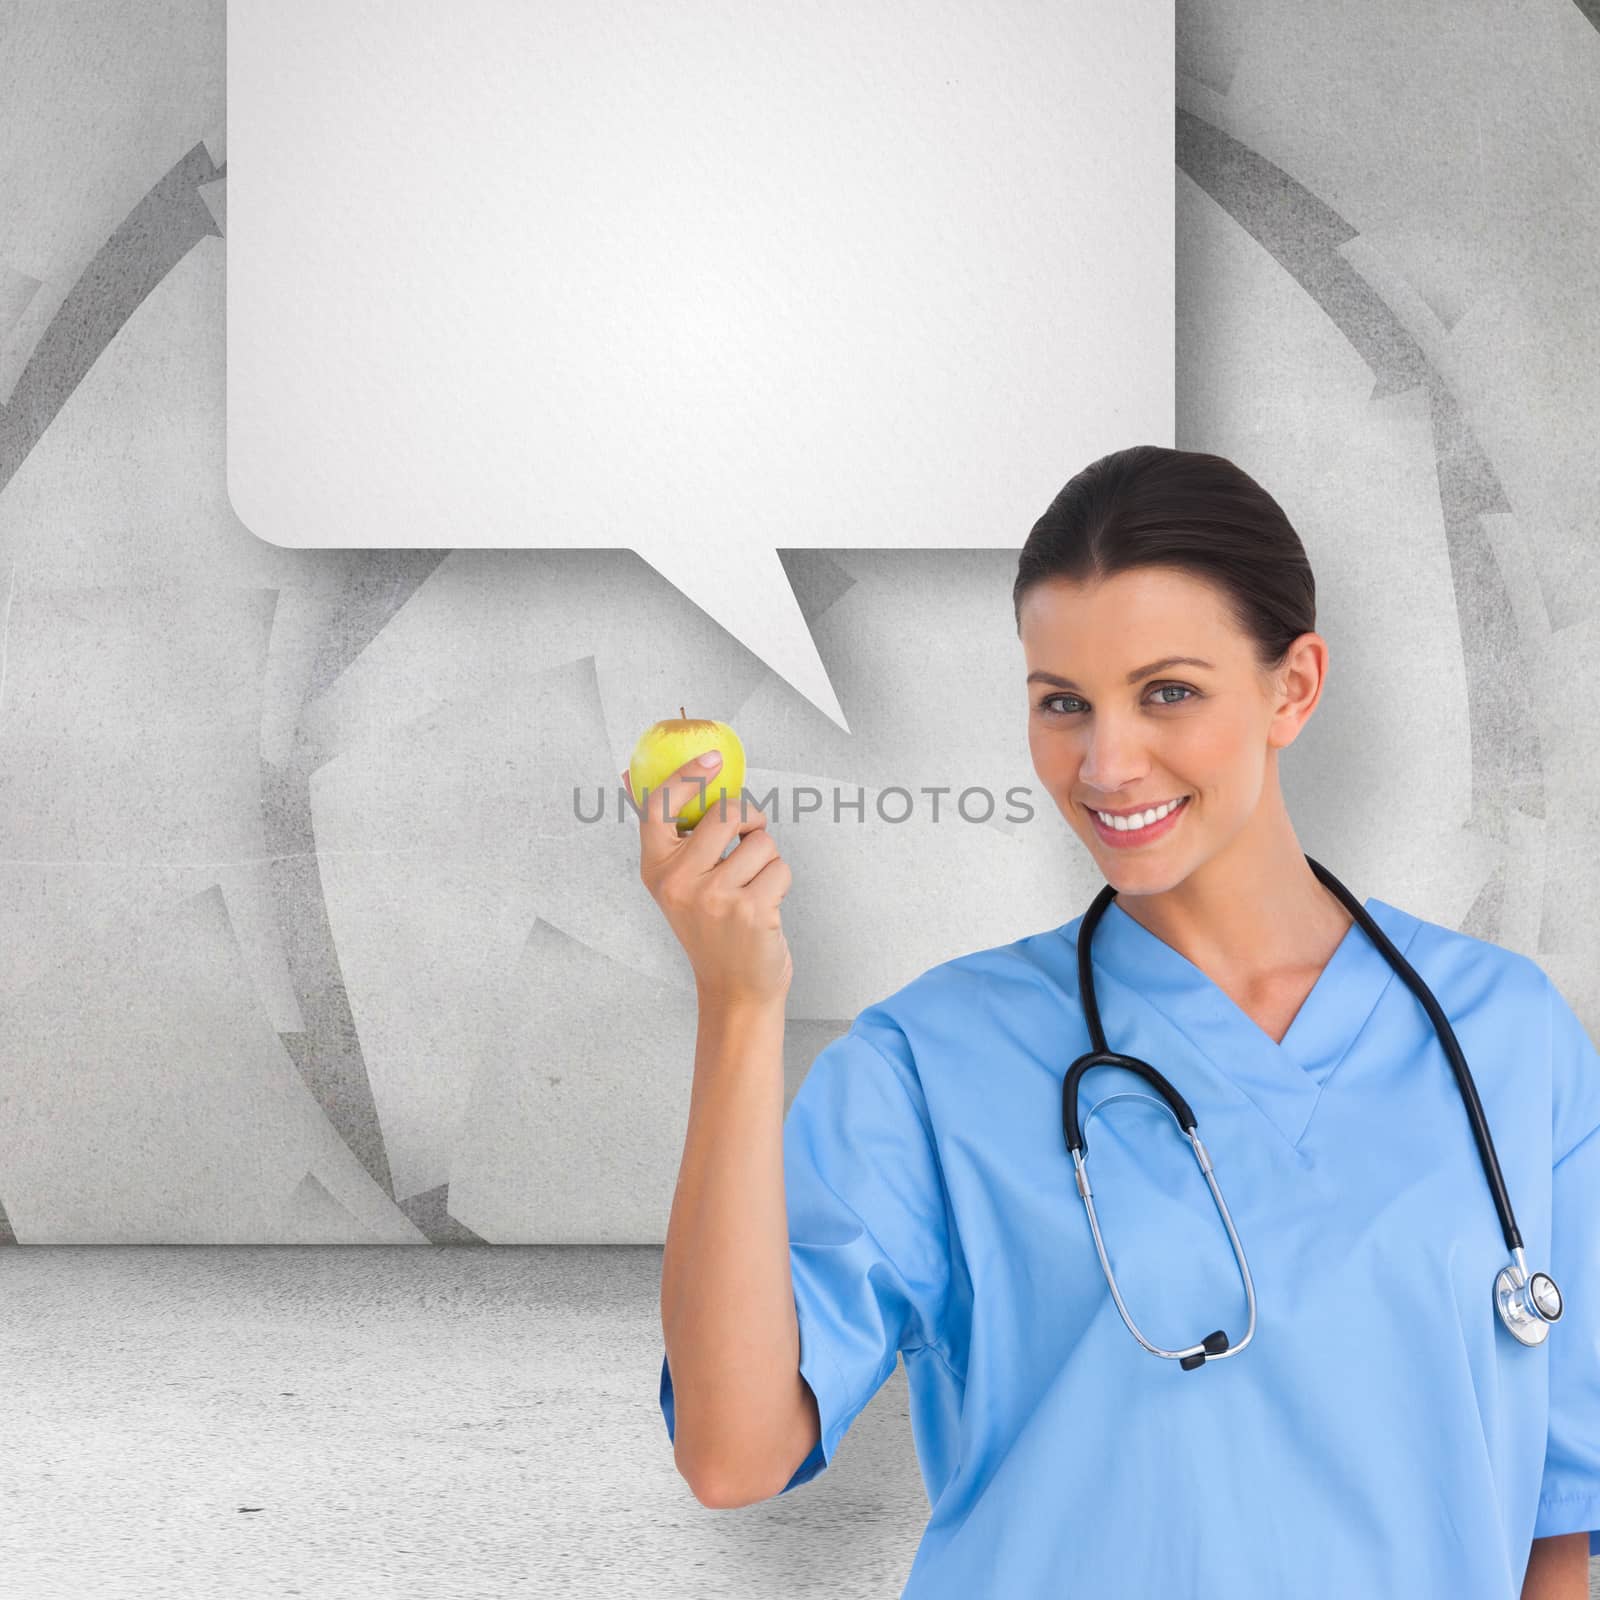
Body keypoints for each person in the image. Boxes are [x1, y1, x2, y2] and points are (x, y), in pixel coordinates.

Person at [641, 445, 1600, 1597]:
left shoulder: (1503, 1032)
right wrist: (738, 1004)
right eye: (1063, 703)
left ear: (1292, 686)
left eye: (1168, 693)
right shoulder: (934, 1059)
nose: (1105, 762)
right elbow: (735, 1451)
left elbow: (1562, 1509)